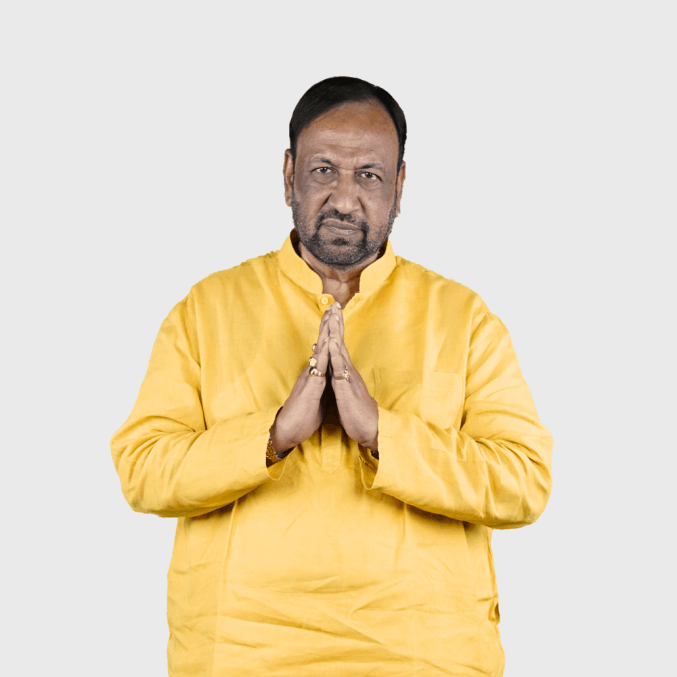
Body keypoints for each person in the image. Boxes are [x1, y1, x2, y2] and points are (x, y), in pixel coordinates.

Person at [111, 76, 553, 677]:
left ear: (399, 187)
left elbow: (524, 481)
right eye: (324, 170)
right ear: (288, 174)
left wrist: (382, 433)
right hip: (243, 653)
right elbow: (142, 469)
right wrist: (272, 435)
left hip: (421, 653)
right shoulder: (206, 309)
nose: (345, 199)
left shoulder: (463, 318)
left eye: (369, 175)